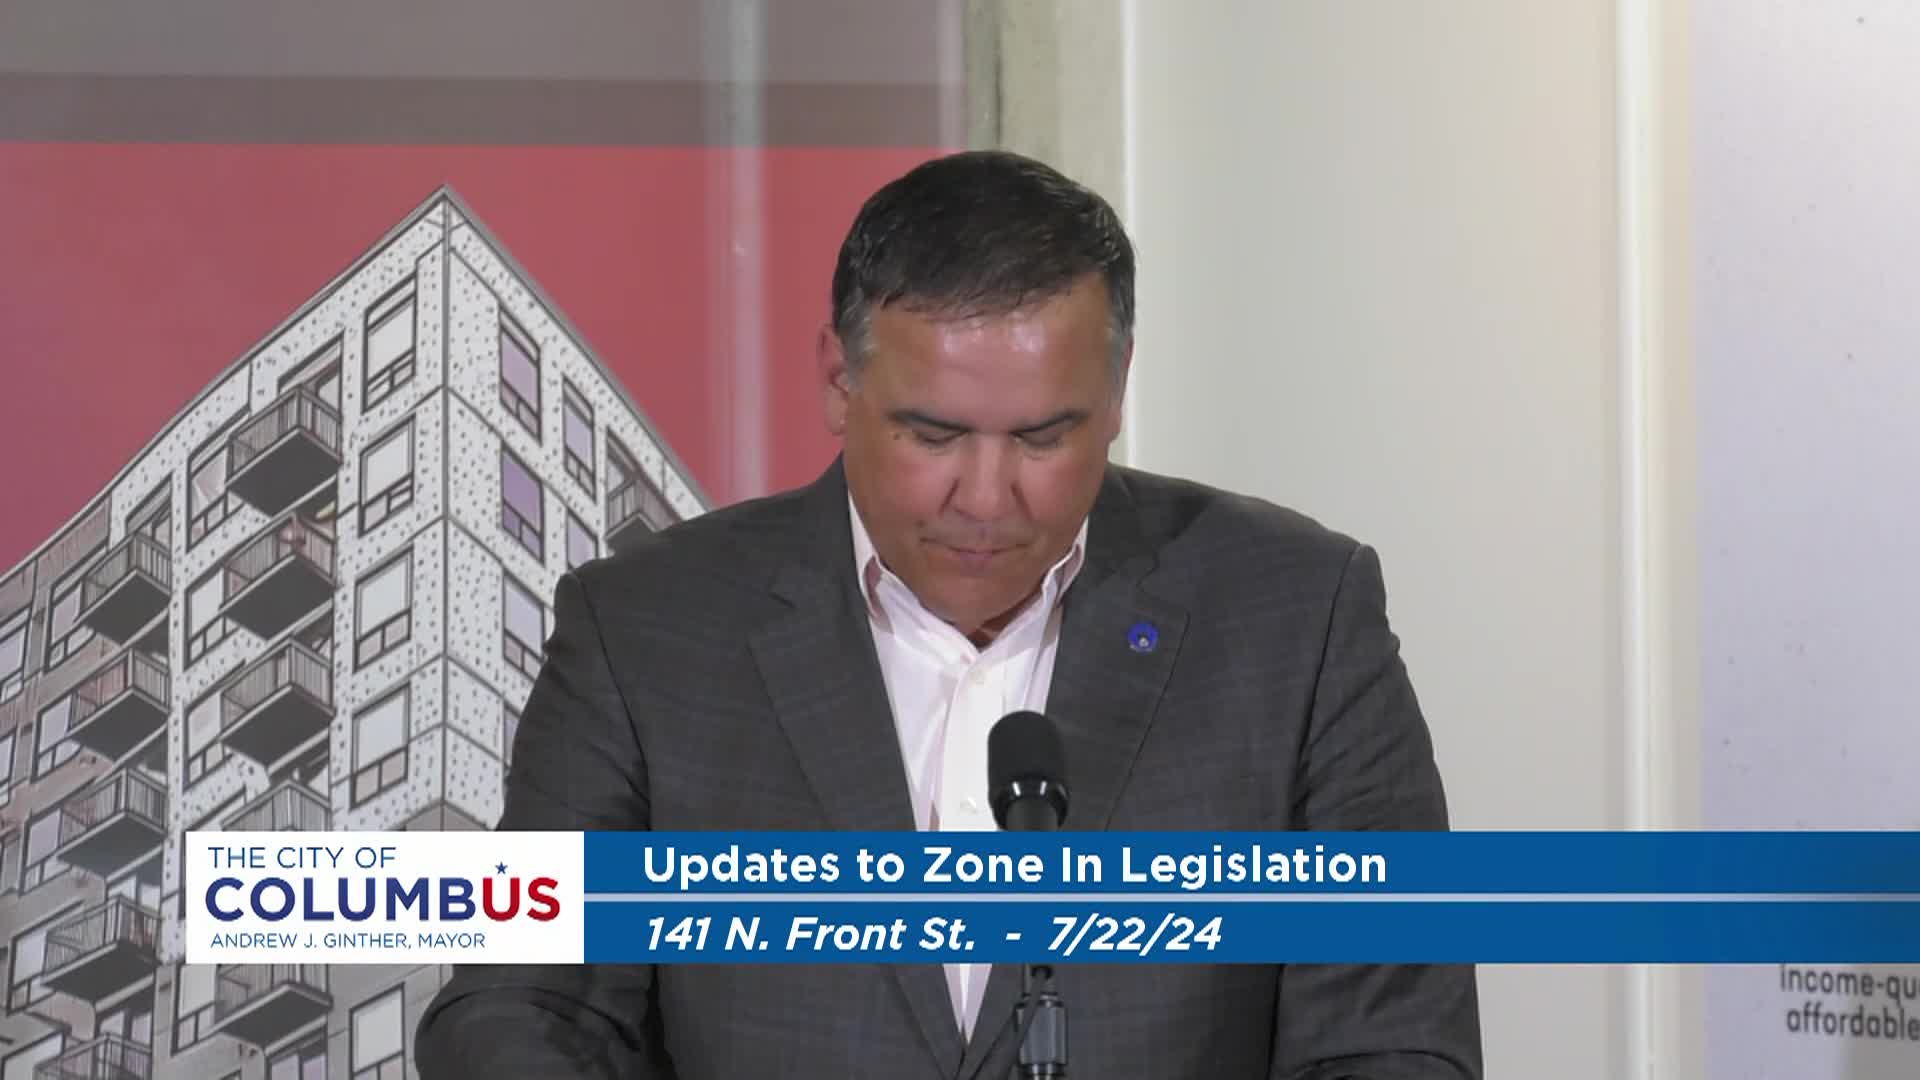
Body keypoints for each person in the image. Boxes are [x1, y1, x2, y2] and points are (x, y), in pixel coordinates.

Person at [416, 150, 1482, 1079]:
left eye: (1043, 437)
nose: (984, 497)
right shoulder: (645, 629)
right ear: (838, 382)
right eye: (933, 435)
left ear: (1117, 391)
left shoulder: (1298, 618)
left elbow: (1394, 1046)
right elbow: (520, 1010)